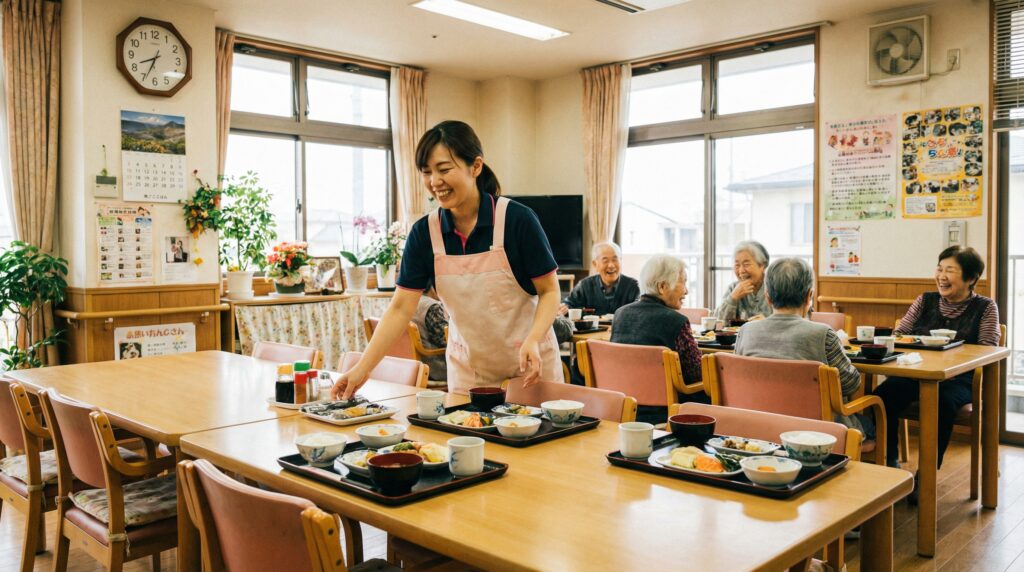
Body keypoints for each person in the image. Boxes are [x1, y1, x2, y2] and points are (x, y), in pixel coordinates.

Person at [332, 120, 563, 399]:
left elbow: (550, 291)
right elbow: (400, 309)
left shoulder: (517, 220)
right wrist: (361, 371)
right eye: (426, 172)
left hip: (530, 366)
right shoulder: (423, 233)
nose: (434, 182)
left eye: (444, 169)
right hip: (469, 372)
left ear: (475, 166)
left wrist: (534, 339)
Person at [874, 246, 999, 473]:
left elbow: (987, 351)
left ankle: (927, 474)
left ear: (971, 278)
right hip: (918, 375)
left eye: (950, 270)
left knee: (941, 404)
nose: (941, 276)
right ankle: (888, 464)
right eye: (939, 269)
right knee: (882, 398)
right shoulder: (925, 300)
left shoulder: (985, 307)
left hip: (961, 380)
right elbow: (899, 335)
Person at [733, 258, 869, 435]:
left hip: (759, 427)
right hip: (817, 433)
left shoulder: (746, 332)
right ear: (809, 296)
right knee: (872, 421)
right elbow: (851, 384)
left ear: (767, 297)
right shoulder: (823, 335)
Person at [611, 254, 703, 423]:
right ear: (662, 287)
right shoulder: (677, 321)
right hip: (666, 412)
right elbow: (696, 375)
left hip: (624, 407)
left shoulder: (620, 314)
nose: (687, 291)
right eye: (683, 282)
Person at [560, 242, 639, 317]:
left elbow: (640, 310)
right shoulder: (585, 286)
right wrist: (565, 307)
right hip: (593, 331)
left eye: (615, 259)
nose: (611, 265)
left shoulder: (634, 286)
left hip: (622, 330)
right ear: (595, 264)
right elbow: (569, 303)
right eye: (605, 261)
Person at [713, 240, 772, 322]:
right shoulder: (733, 288)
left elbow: (786, 321)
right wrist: (733, 298)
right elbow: (717, 322)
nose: (741, 271)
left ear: (762, 266)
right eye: (737, 265)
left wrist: (767, 322)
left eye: (746, 265)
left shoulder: (775, 287)